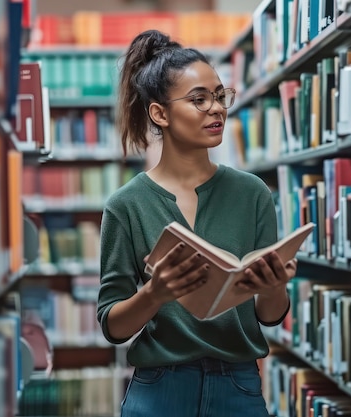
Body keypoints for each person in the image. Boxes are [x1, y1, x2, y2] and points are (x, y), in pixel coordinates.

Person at [96, 29, 298, 417]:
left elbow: (270, 314)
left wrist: (274, 287)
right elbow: (113, 325)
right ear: (160, 113)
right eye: (199, 99)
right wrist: (154, 294)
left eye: (220, 96)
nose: (217, 109)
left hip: (238, 385)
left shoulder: (252, 193)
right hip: (160, 389)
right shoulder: (126, 206)